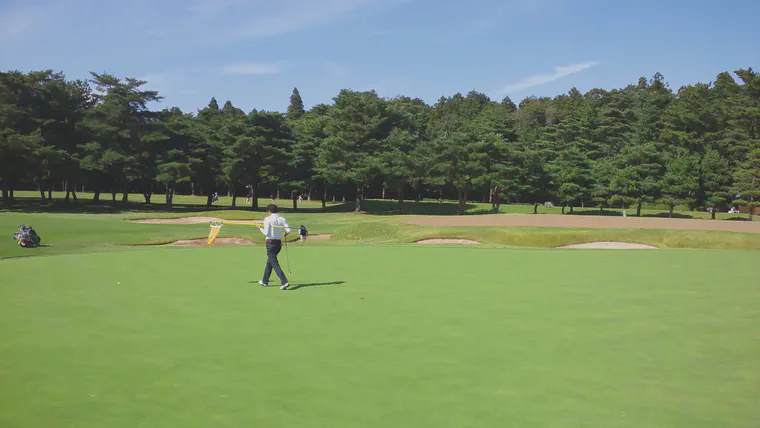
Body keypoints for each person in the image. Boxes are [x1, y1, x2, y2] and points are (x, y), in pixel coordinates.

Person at [257, 204, 292, 290]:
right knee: (270, 261)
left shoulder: (267, 219)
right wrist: (285, 233)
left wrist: (259, 228)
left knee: (274, 262)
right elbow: (289, 230)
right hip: (278, 244)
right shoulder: (282, 219)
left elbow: (266, 233)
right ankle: (265, 281)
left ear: (269, 211)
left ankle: (284, 281)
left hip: (270, 243)